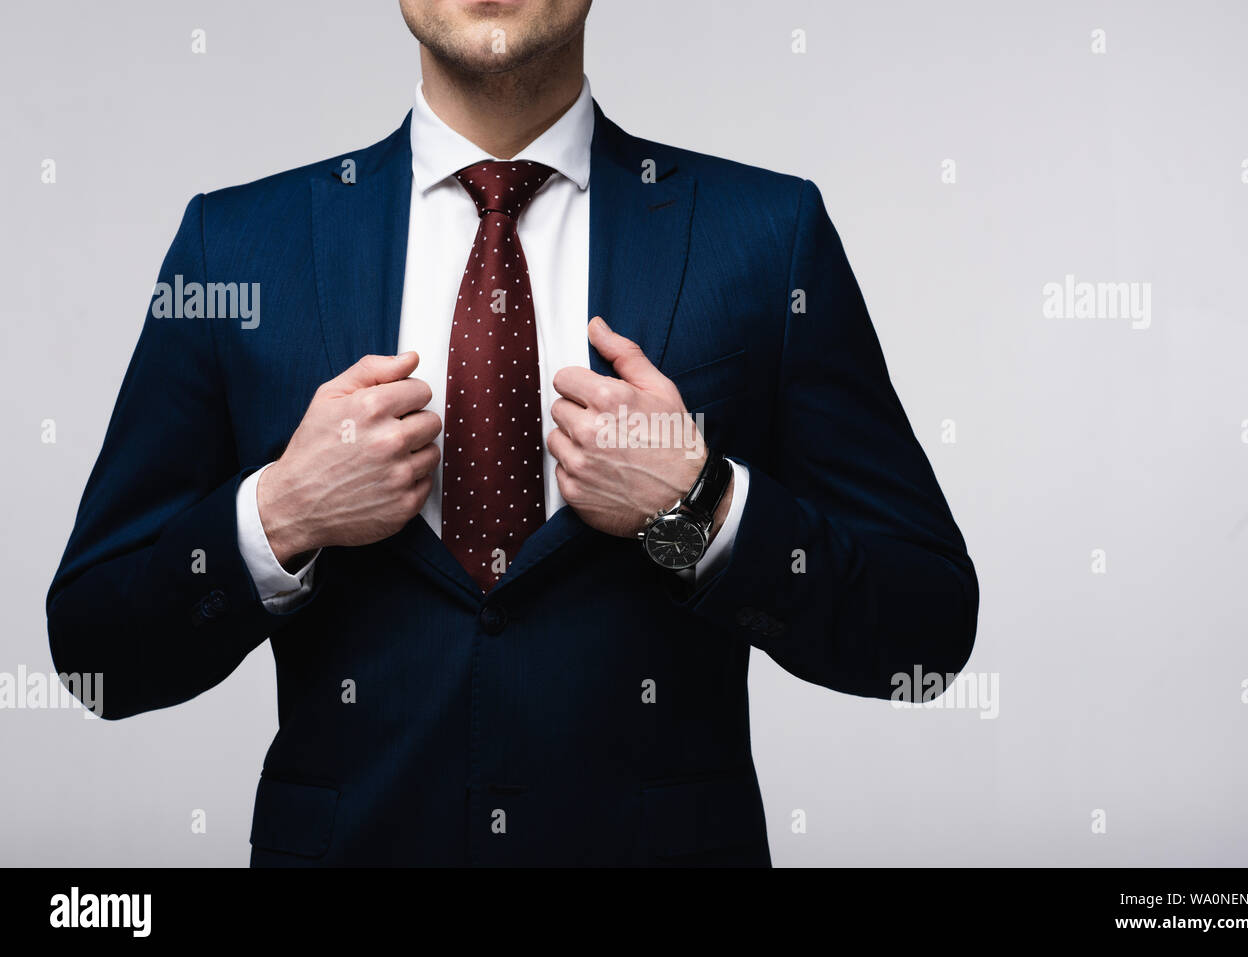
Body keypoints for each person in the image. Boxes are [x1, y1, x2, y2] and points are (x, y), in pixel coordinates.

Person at [47, 0, 978, 866]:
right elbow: (95, 656)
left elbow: (923, 630)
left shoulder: (768, 236)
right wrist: (280, 514)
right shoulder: (234, 247)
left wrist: (702, 509)